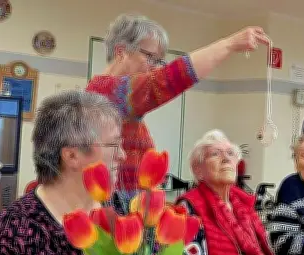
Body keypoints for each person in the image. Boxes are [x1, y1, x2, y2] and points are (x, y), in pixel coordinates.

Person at [0, 90, 185, 255]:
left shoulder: (123, 210)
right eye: (113, 145)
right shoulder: (19, 228)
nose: (122, 156)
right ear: (72, 156)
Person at [86, 13, 271, 203]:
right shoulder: (107, 90)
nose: (155, 68)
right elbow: (170, 78)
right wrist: (230, 44)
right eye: (150, 57)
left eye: (159, 61)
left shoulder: (117, 100)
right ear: (120, 52)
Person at [178, 130, 296, 255]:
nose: (226, 158)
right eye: (215, 154)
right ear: (198, 170)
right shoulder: (189, 207)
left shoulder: (243, 206)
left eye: (231, 153)